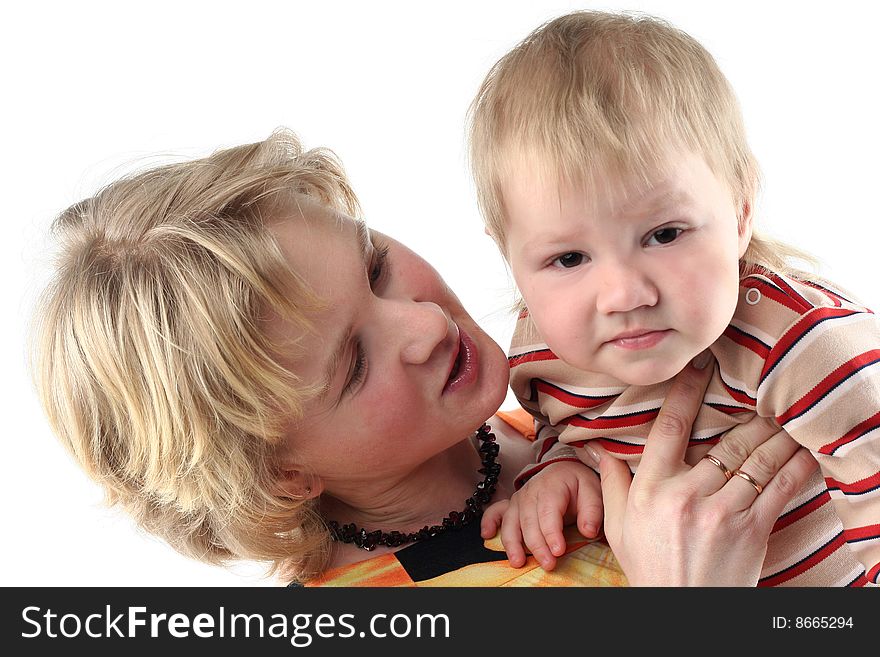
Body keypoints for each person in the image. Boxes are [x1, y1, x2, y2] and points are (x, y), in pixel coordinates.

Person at [30, 129, 817, 586]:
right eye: (353, 365)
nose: (423, 325)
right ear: (277, 473)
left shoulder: (553, 397)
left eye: (375, 267)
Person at [468, 10, 880, 585]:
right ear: (509, 258)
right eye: (568, 259)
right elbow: (570, 428)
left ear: (739, 210)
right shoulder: (539, 349)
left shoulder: (803, 344)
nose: (624, 294)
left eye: (664, 235)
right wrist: (558, 470)